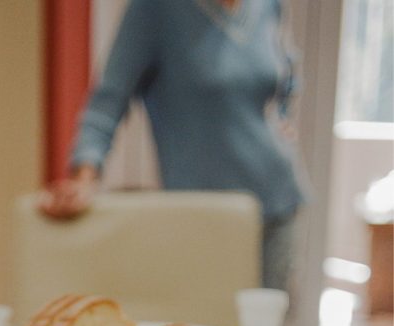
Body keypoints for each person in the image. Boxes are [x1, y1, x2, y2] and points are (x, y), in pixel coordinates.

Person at [40, 0, 305, 291]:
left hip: (278, 199)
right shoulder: (155, 9)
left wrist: (281, 117)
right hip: (201, 216)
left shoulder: (268, 4)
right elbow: (107, 102)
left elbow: (284, 74)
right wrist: (85, 177)